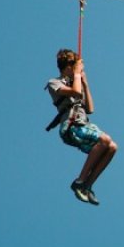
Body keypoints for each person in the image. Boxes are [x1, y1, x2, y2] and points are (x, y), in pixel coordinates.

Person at [45, 49, 117, 205]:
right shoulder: (54, 82)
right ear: (68, 67)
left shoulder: (77, 82)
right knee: (105, 140)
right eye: (75, 67)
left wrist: (85, 82)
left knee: (112, 147)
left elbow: (90, 109)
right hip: (71, 127)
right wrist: (77, 76)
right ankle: (80, 180)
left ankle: (87, 185)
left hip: (83, 124)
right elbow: (76, 92)